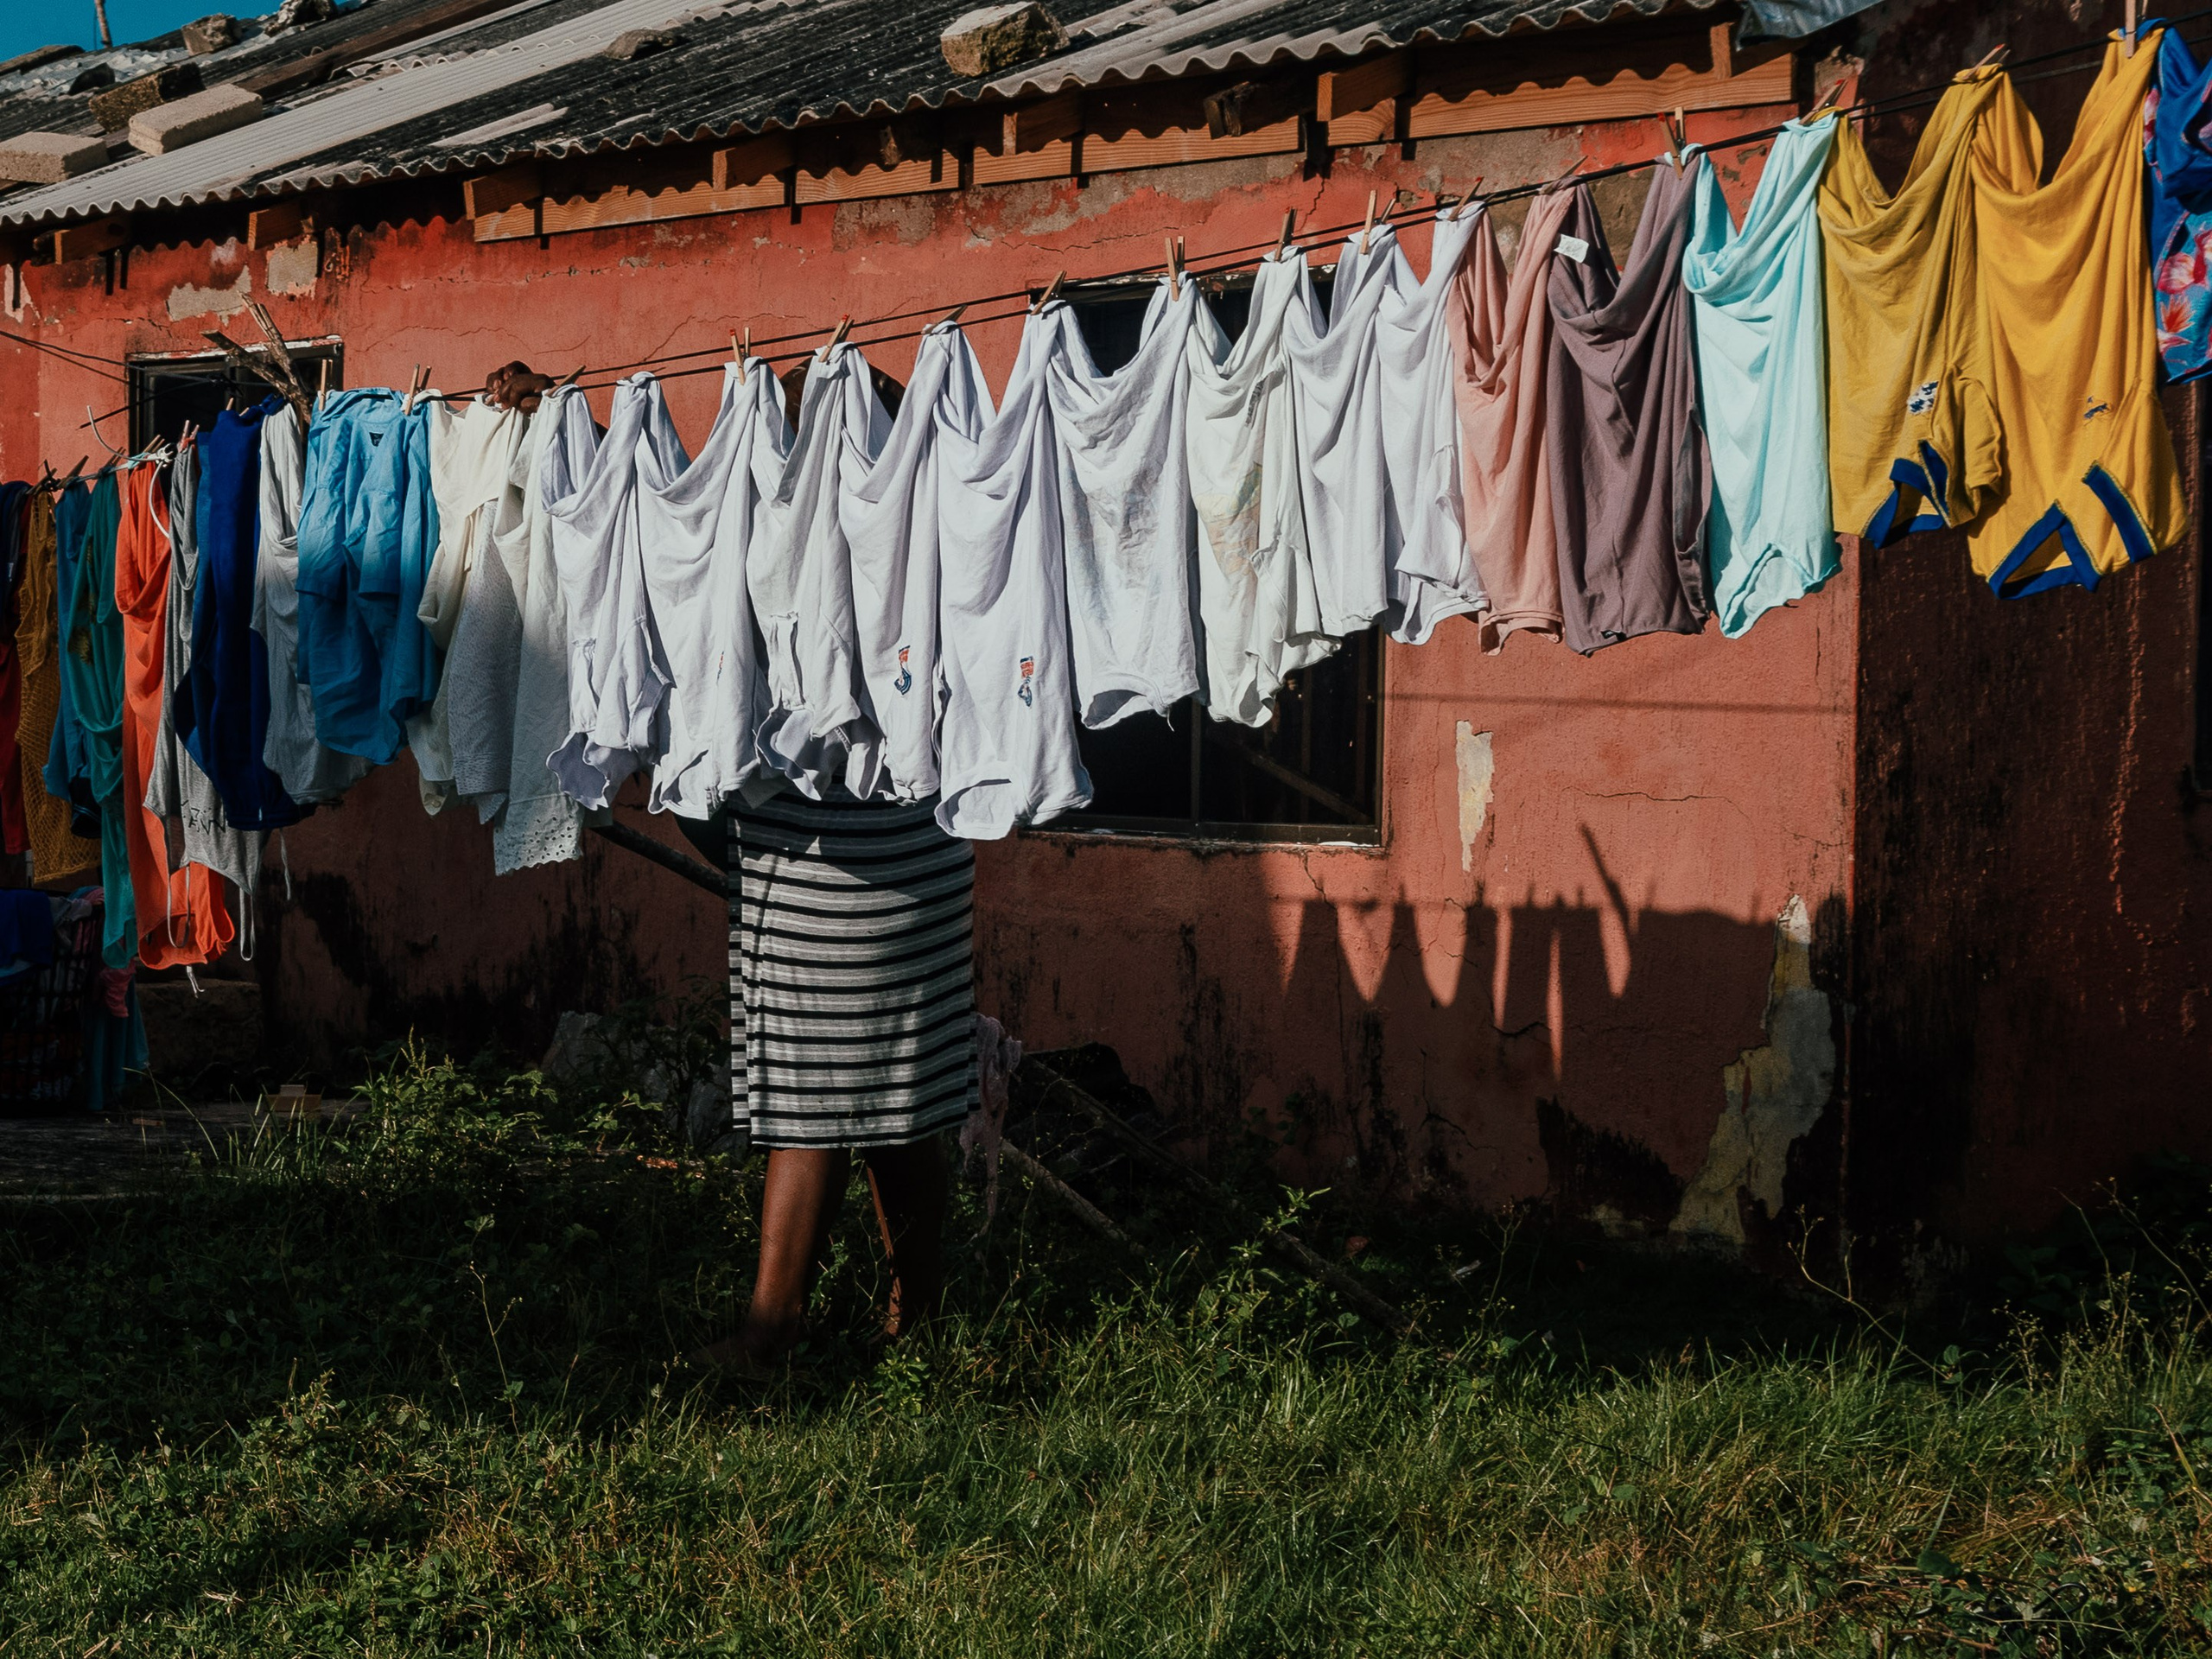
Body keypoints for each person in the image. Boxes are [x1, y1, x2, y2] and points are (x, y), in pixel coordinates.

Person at [486, 362, 970, 1373]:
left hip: (827, 855)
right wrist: (565, 413)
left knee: (818, 1102)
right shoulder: (932, 510)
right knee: (898, 1096)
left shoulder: (789, 528)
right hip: (909, 849)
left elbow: (667, 530)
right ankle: (916, 1322)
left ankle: (772, 1330)